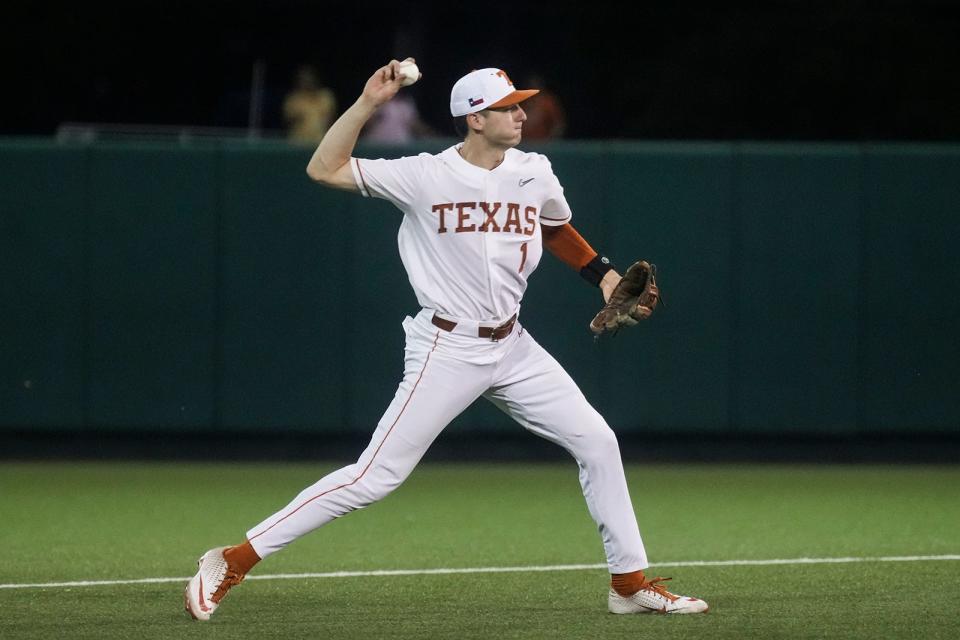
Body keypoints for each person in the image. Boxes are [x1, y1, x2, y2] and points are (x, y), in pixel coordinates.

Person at [184, 59, 708, 620]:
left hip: (513, 346)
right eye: (509, 108)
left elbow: (553, 226)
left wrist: (602, 275)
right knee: (373, 477)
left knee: (599, 443)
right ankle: (230, 560)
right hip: (446, 347)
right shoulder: (423, 175)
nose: (522, 114)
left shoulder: (533, 170)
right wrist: (367, 104)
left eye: (520, 104)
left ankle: (627, 584)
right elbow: (323, 167)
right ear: (475, 119)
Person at [282, 64, 337, 144]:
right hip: (297, 143)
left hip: (320, 142)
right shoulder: (293, 99)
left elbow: (331, 120)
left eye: (309, 77)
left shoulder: (325, 96)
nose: (307, 81)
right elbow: (287, 121)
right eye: (304, 79)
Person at [361, 92, 436, 143]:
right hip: (378, 145)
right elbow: (364, 125)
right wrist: (376, 116)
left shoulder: (405, 103)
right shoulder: (378, 101)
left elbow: (414, 124)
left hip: (399, 146)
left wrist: (429, 134)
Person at [515, 73, 566, 141]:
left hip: (542, 144)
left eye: (535, 83)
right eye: (530, 84)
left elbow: (558, 125)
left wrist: (551, 141)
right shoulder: (523, 100)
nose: (533, 85)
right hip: (524, 143)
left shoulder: (547, 101)